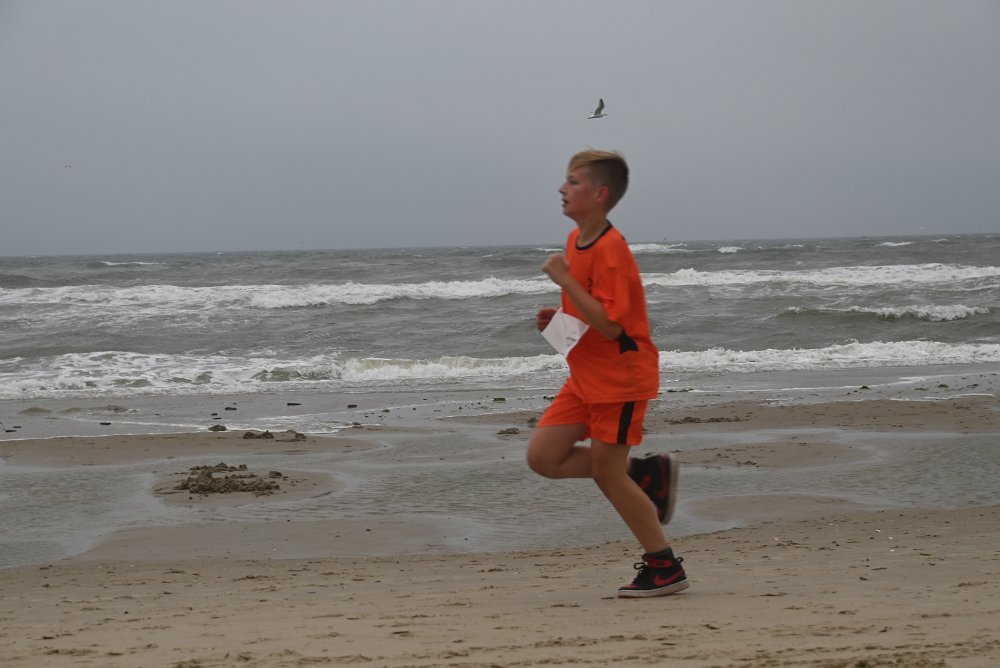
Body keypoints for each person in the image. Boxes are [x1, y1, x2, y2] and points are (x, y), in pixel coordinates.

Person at [527, 149, 687, 598]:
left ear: (599, 194)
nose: (562, 188)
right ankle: (648, 473)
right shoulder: (574, 241)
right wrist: (558, 322)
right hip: (584, 377)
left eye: (572, 181)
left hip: (621, 380)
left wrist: (564, 281)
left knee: (607, 474)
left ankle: (665, 566)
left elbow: (613, 326)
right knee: (544, 458)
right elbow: (591, 315)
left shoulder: (611, 249)